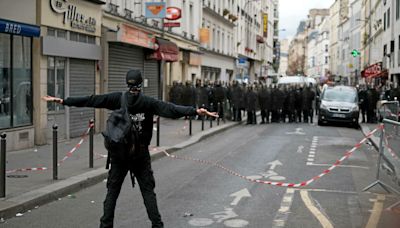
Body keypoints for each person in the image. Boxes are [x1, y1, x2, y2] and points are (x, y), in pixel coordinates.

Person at [42, 69, 218, 228]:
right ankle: (157, 225)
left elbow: (92, 100)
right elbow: (171, 109)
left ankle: (105, 225)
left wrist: (64, 101)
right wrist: (195, 111)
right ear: (141, 84)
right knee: (148, 192)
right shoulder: (148, 102)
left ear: (127, 83)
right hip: (140, 155)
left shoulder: (118, 98)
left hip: (119, 155)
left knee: (112, 192)